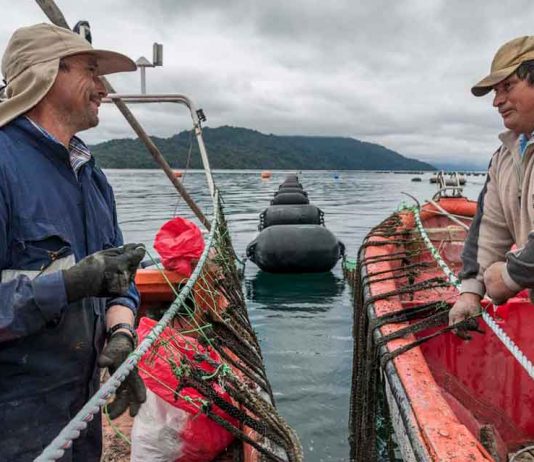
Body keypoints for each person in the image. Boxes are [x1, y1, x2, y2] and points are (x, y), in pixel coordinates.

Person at [0, 23, 147, 461]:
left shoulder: (93, 175)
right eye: (91, 70)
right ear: (47, 74)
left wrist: (121, 336)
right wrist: (68, 286)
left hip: (81, 408)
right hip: (14, 419)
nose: (103, 87)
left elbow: (120, 279)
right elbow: (83, 281)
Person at [449, 36, 534, 331]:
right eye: (496, 92)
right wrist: (471, 292)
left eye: (507, 87)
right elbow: (489, 229)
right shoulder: (504, 158)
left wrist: (509, 277)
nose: (497, 101)